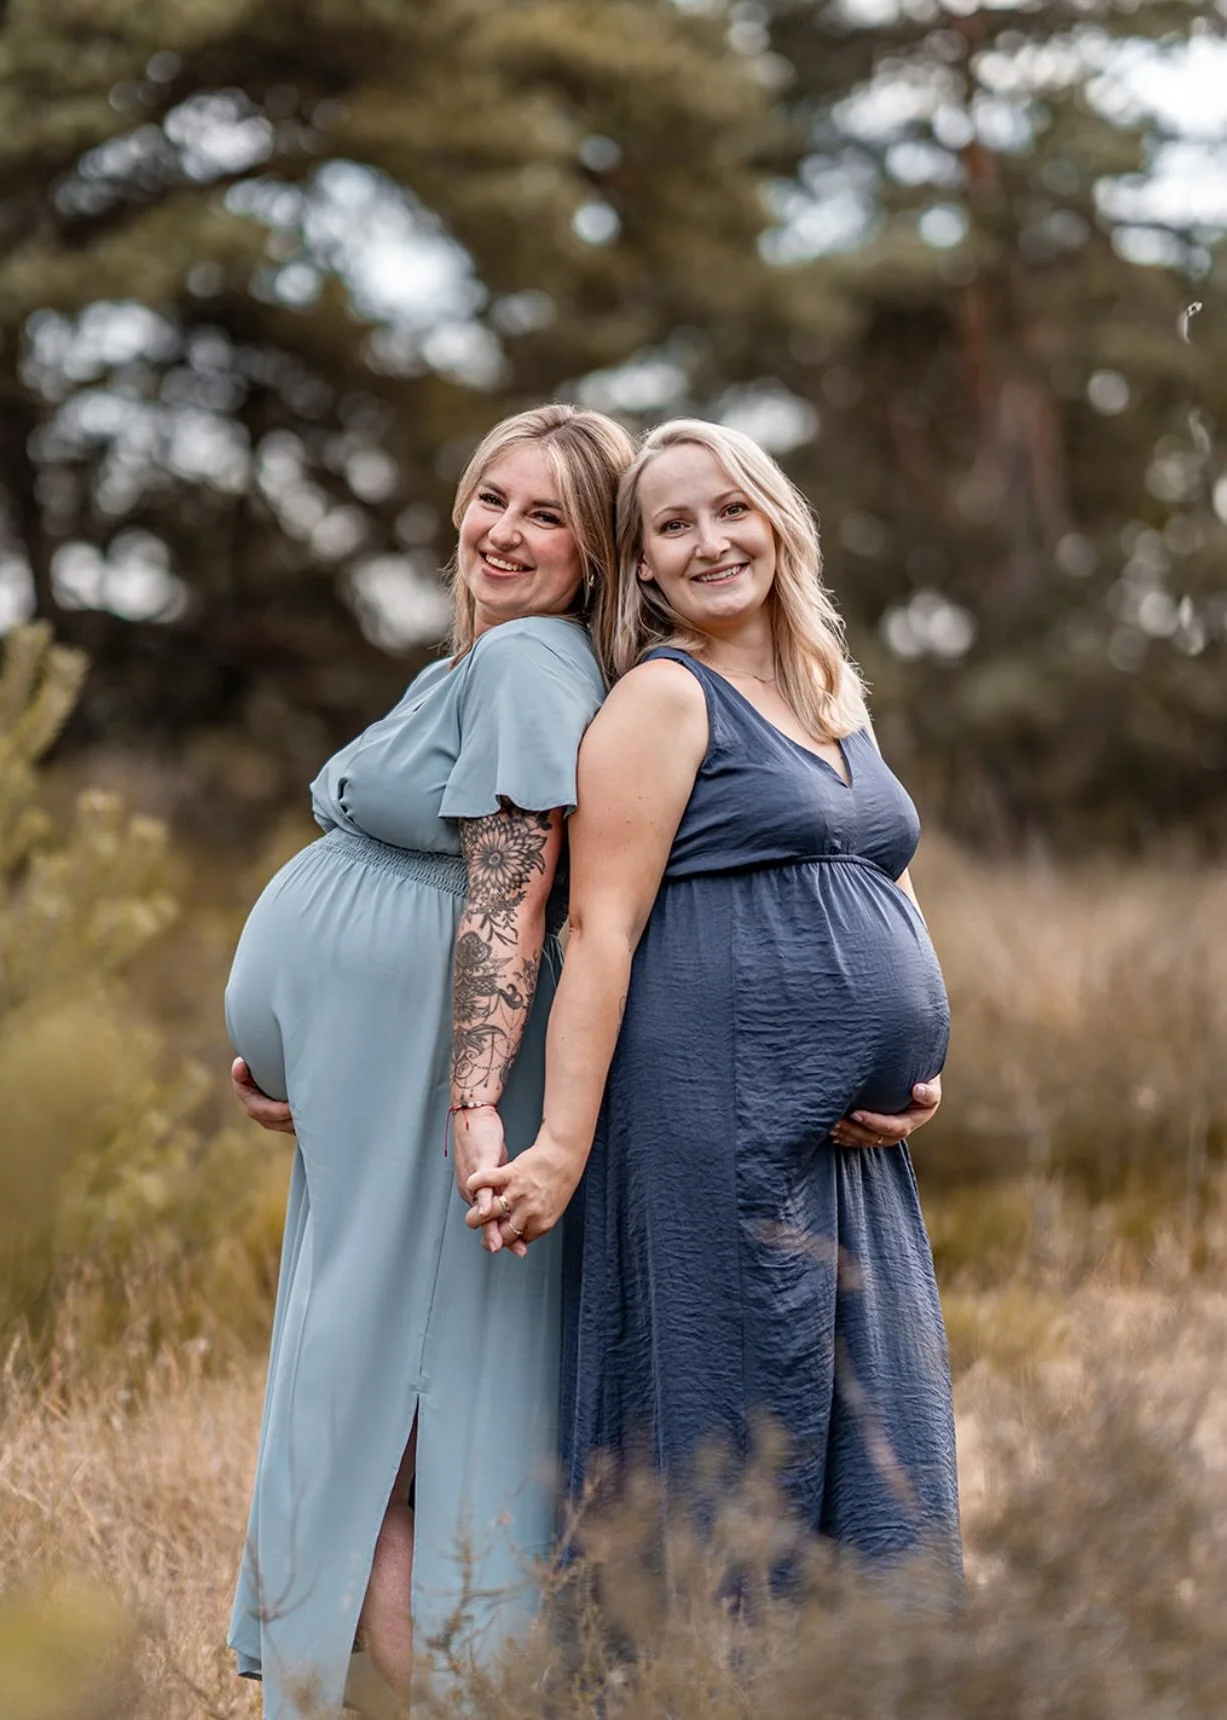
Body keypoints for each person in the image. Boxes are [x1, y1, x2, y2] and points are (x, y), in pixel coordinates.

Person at [469, 419, 961, 1574]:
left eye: (730, 509)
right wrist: (558, 1147)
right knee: (731, 1443)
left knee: (878, 1441)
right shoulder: (664, 697)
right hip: (713, 1125)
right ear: (640, 563)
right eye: (672, 525)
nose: (710, 542)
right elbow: (599, 926)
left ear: (778, 519)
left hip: (850, 1149)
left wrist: (919, 1069)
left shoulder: (833, 693)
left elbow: (885, 877)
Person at [222, 403, 635, 1717]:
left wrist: (459, 1107)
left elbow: (513, 889)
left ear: (598, 552)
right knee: (384, 1447)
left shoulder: (526, 669)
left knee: (392, 1453)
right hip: (381, 1103)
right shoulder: (488, 656)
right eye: (490, 499)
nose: (503, 533)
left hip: (437, 1121)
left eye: (546, 515)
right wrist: (322, 1056)